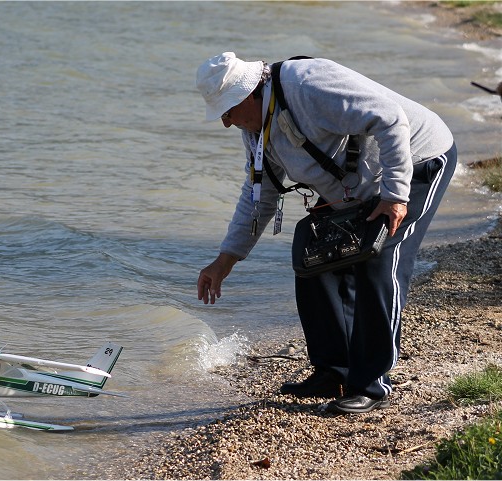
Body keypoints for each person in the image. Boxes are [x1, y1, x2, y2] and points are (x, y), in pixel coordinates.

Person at [195, 52, 456, 414]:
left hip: (418, 159)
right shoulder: (255, 128)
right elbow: (258, 196)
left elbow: (391, 119)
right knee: (313, 258)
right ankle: (333, 370)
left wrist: (395, 195)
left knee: (378, 261)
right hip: (355, 184)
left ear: (249, 94)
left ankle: (371, 384)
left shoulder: (309, 85)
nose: (226, 123)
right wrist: (226, 259)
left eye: (227, 112)